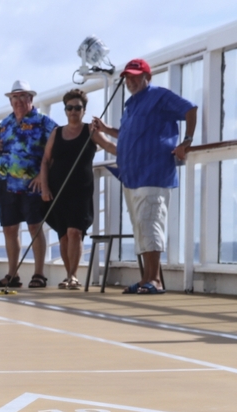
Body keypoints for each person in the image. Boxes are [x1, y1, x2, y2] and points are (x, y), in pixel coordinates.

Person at [93, 58, 197, 294]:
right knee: (141, 228)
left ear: (147, 77)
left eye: (135, 76)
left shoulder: (159, 95)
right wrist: (106, 130)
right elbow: (129, 135)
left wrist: (187, 141)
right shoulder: (131, 106)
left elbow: (190, 108)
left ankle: (155, 281)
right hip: (132, 176)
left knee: (150, 225)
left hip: (154, 173)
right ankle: (146, 279)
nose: (130, 81)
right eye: (127, 77)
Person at [39, 88, 112, 289]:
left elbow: (110, 147)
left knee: (75, 232)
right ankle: (68, 274)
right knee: (63, 234)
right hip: (58, 190)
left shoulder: (90, 131)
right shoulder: (56, 132)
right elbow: (45, 161)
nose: (73, 111)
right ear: (65, 110)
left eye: (77, 108)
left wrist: (133, 151)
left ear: (84, 110)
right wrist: (44, 188)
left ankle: (73, 275)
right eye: (69, 108)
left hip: (81, 191)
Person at [0, 80, 57, 289]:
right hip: (6, 185)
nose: (18, 101)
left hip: (32, 186)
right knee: (10, 229)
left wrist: (42, 177)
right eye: (14, 97)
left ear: (31, 99)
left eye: (22, 97)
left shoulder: (44, 122)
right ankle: (13, 274)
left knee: (35, 227)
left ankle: (38, 274)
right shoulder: (4, 125)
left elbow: (56, 151)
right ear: (11, 101)